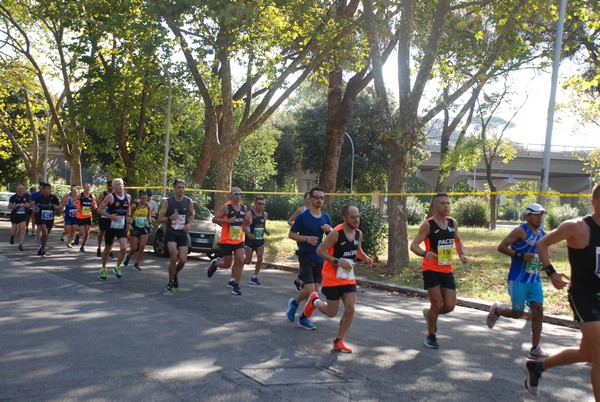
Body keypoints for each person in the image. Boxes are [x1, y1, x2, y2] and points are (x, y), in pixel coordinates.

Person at [521, 185, 598, 398]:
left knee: (588, 353)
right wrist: (551, 272)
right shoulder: (576, 227)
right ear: (593, 202)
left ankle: (536, 367)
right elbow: (542, 243)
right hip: (584, 296)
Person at [303, 204, 373, 353]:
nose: (356, 220)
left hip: (348, 277)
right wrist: (335, 261)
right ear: (345, 217)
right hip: (331, 278)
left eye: (358, 217)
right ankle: (314, 300)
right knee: (331, 312)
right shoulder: (336, 233)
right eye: (353, 217)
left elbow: (357, 250)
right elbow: (320, 250)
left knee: (350, 309)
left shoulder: (358, 234)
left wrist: (365, 257)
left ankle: (339, 340)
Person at [488, 203, 548, 358]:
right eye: (536, 214)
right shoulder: (520, 231)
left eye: (541, 214)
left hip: (534, 279)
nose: (539, 217)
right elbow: (501, 247)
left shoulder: (542, 233)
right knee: (517, 313)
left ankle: (535, 348)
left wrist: (544, 264)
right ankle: (497, 311)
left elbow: (543, 252)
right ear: (527, 216)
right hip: (518, 278)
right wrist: (521, 255)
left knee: (538, 310)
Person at [410, 192, 468, 349]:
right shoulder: (428, 224)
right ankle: (431, 336)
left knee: (449, 305)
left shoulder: (452, 223)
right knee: (436, 303)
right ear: (435, 206)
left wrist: (461, 253)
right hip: (431, 269)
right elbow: (414, 245)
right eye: (442, 203)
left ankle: (430, 315)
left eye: (448, 203)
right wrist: (424, 253)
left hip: (447, 268)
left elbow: (458, 240)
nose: (446, 206)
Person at [286, 186, 332, 330]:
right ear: (310, 199)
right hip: (305, 255)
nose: (319, 200)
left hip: (320, 257)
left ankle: (296, 305)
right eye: (316, 197)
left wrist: (329, 230)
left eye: (322, 198)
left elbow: (332, 238)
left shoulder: (326, 217)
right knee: (311, 290)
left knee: (313, 292)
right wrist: (305, 238)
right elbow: (291, 234)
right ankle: (303, 317)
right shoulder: (303, 216)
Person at [207, 187, 251, 295]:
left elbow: (243, 223)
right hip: (227, 240)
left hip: (238, 239)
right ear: (231, 195)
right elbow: (214, 219)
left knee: (240, 260)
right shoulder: (226, 207)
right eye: (236, 193)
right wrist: (227, 221)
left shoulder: (244, 208)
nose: (238, 195)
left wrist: (247, 222)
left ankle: (236, 286)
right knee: (227, 264)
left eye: (240, 194)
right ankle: (215, 264)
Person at [159, 179, 194, 293]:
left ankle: (174, 274)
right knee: (174, 257)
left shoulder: (189, 201)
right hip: (171, 232)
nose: (181, 190)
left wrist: (189, 224)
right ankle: (170, 282)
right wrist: (169, 218)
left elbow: (192, 215)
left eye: (183, 187)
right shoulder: (168, 202)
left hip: (183, 233)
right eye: (179, 187)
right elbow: (160, 218)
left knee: (183, 260)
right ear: (174, 188)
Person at [96, 178, 132, 280]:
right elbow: (99, 209)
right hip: (111, 225)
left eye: (121, 185)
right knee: (108, 248)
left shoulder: (127, 197)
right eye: (117, 185)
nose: (120, 186)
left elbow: (128, 208)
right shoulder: (110, 197)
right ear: (113, 187)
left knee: (124, 247)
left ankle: (117, 267)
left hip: (121, 225)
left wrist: (129, 216)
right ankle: (103, 268)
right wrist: (109, 216)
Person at [243, 196, 271, 285]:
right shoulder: (250, 214)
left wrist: (266, 231)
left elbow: (263, 225)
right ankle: (237, 266)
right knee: (247, 261)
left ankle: (254, 277)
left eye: (263, 204)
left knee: (260, 258)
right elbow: (243, 227)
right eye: (259, 204)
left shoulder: (265, 214)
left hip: (260, 240)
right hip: (250, 241)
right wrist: (248, 233)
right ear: (255, 204)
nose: (261, 206)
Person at [287, 191, 311, 291]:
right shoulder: (301, 210)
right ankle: (302, 281)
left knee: (312, 260)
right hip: (302, 238)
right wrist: (297, 228)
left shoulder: (316, 211)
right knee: (305, 260)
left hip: (313, 238)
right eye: (308, 198)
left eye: (311, 197)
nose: (310, 199)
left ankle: (299, 280)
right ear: (305, 199)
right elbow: (289, 221)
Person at [124, 190, 152, 271]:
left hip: (144, 226)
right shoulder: (134, 206)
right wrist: (129, 223)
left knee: (142, 246)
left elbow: (148, 215)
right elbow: (128, 213)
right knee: (134, 248)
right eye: (142, 198)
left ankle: (136, 264)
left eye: (145, 198)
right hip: (135, 226)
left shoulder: (148, 206)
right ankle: (128, 256)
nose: (144, 200)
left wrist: (150, 223)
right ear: (139, 198)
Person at [32, 182, 61, 257]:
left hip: (50, 218)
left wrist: (56, 207)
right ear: (42, 190)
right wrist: (34, 209)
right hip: (40, 217)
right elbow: (34, 206)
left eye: (49, 189)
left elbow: (59, 206)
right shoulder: (39, 198)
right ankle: (42, 249)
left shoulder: (54, 197)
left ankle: (42, 248)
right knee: (44, 232)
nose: (47, 190)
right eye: (46, 188)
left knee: (46, 235)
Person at [73, 183, 97, 253]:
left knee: (87, 232)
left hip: (88, 216)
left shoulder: (91, 196)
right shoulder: (80, 195)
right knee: (82, 232)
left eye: (88, 188)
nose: (87, 189)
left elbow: (94, 203)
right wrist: (77, 207)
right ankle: (77, 236)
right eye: (86, 187)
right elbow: (72, 201)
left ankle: (82, 246)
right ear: (83, 188)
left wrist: (95, 206)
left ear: (90, 188)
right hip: (80, 216)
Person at [8, 184, 31, 251]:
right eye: (20, 189)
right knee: (14, 230)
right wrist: (17, 205)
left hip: (23, 216)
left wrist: (26, 205)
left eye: (23, 189)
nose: (22, 190)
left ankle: (20, 245)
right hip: (15, 216)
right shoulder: (13, 197)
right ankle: (12, 236)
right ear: (17, 190)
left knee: (22, 228)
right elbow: (9, 206)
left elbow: (29, 204)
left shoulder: (26, 196)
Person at [96, 181, 114, 258]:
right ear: (107, 186)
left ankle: (110, 250)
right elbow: (98, 205)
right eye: (109, 186)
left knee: (111, 234)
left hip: (111, 216)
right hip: (104, 216)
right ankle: (99, 248)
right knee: (101, 233)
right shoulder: (103, 194)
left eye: (112, 186)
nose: (111, 187)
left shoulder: (115, 195)